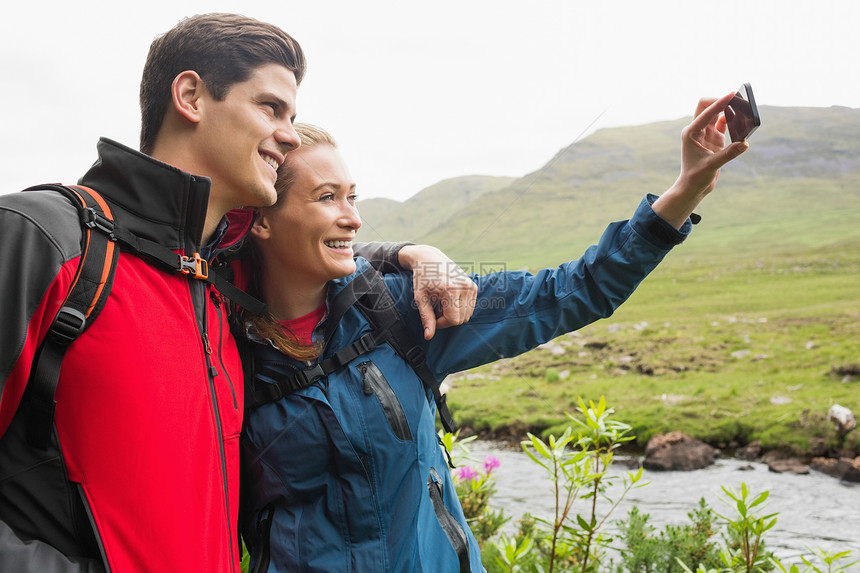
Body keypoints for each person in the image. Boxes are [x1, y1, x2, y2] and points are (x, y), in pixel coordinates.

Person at [0, 13, 474, 573]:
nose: (291, 134)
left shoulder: (221, 279)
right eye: (270, 108)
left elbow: (310, 248)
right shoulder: (47, 239)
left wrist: (408, 252)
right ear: (192, 96)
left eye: (292, 115)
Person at [238, 99, 749, 573]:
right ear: (260, 218)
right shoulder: (217, 340)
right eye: (328, 198)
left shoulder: (401, 312)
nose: (352, 216)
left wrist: (683, 193)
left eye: (352, 196)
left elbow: (574, 292)